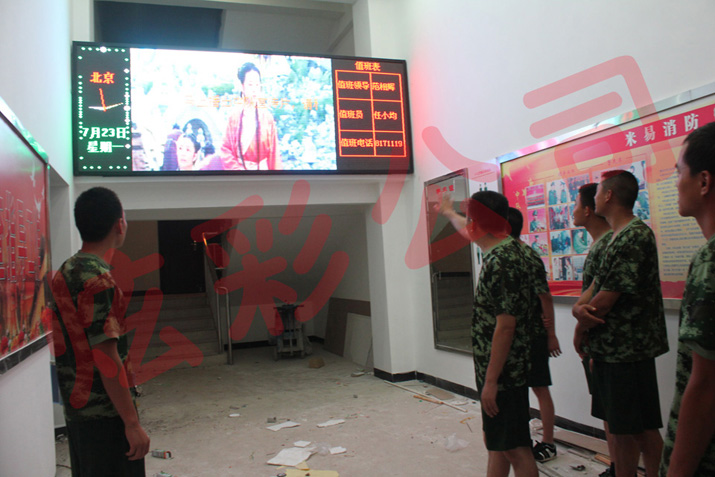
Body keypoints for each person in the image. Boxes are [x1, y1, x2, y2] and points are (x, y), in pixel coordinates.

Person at [572, 170, 668, 477]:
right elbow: (594, 289)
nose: (595, 198)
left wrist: (581, 319)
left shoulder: (634, 236)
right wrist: (578, 312)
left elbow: (604, 301)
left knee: (640, 430)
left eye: (599, 192)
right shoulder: (615, 237)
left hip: (628, 351)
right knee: (621, 429)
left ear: (609, 195)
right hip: (610, 350)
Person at [438, 191, 538, 477]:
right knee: (497, 444)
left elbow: (505, 327)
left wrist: (491, 382)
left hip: (505, 374)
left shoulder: (502, 262)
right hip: (504, 368)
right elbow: (468, 230)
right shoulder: (508, 249)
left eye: (470, 218)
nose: (467, 223)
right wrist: (448, 212)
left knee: (515, 448)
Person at [52, 187, 150, 476]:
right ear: (119, 225)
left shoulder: (66, 270)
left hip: (78, 412)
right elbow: (105, 357)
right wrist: (132, 423)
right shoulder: (99, 280)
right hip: (105, 415)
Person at [660, 122, 715, 476]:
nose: (676, 182)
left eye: (679, 171)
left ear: (704, 181)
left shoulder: (710, 261)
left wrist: (677, 470)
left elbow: (707, 386)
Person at [507, 207, 562, 463]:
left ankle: (548, 442)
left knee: (540, 388)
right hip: (514, 338)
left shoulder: (527, 257)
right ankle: (521, 440)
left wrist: (551, 335)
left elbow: (545, 297)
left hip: (533, 337)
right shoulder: (504, 255)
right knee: (517, 390)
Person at [572, 182, 617, 477]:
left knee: (621, 418)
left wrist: (580, 328)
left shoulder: (609, 245)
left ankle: (621, 467)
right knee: (608, 412)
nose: (573, 211)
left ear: (589, 210)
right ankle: (617, 466)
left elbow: (599, 301)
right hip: (598, 345)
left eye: (576, 205)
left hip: (611, 346)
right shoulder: (599, 245)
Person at [220, 62, 281, 170]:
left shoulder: (267, 118)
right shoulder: (234, 117)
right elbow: (226, 150)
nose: (254, 89)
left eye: (257, 85)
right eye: (250, 84)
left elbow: (274, 155)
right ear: (242, 86)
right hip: (239, 174)